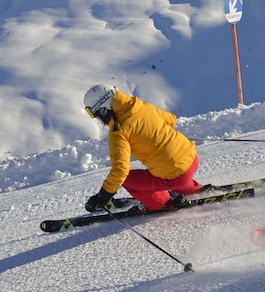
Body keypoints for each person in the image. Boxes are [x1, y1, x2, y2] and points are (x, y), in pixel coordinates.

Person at [82, 84, 203, 214]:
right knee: (168, 166)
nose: (100, 120)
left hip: (175, 176)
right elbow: (171, 120)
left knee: (128, 180)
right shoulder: (144, 107)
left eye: (96, 114)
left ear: (105, 109)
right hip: (192, 158)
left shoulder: (118, 132)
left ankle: (163, 203)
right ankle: (192, 190)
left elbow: (120, 170)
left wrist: (103, 195)